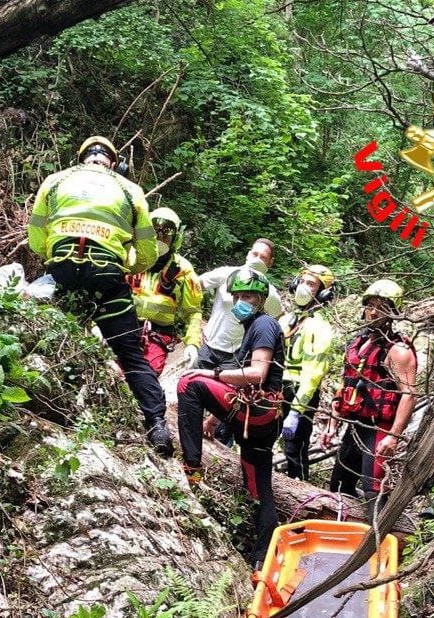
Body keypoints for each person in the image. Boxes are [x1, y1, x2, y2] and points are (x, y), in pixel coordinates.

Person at [29, 136, 174, 456]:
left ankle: (36, 398)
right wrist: (124, 263)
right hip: (108, 278)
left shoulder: (55, 181)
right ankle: (157, 425)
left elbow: (36, 238)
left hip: (64, 272)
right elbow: (148, 253)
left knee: (46, 334)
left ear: (82, 158)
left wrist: (56, 257)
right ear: (114, 161)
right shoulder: (130, 190)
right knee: (132, 356)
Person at [177, 267, 285, 575]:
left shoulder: (263, 324)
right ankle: (262, 558)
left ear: (261, 299)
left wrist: (210, 373)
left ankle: (192, 469)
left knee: (189, 384)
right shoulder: (253, 327)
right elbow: (243, 383)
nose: (241, 301)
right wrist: (214, 418)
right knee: (257, 488)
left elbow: (256, 374)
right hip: (262, 419)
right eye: (236, 296)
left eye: (248, 296)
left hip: (259, 411)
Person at [320, 279, 417, 518]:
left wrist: (393, 438)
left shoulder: (398, 351)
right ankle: (344, 536)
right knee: (339, 487)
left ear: (392, 312)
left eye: (381, 306)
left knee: (374, 491)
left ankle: (382, 541)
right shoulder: (358, 344)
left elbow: (409, 395)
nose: (373, 311)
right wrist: (332, 425)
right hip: (354, 426)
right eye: (370, 305)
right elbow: (345, 386)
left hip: (378, 430)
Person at [126, 207, 204, 375]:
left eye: (166, 231)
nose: (160, 235)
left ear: (175, 237)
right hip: (122, 326)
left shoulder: (183, 270)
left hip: (157, 334)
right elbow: (105, 292)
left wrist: (192, 343)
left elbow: (193, 312)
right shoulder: (130, 257)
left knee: (147, 376)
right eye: (155, 229)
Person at [279, 265, 336, 480]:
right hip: (277, 388)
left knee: (294, 451)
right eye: (302, 281)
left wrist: (296, 411)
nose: (303, 287)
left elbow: (312, 376)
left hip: (299, 394)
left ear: (322, 293)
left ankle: (299, 490)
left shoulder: (319, 328)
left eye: (311, 284)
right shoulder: (287, 320)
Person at [196, 239, 283, 370]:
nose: (258, 259)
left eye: (263, 257)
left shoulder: (269, 292)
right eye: (255, 254)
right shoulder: (226, 274)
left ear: (270, 262)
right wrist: (197, 321)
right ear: (248, 255)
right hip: (208, 345)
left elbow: (276, 319)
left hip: (237, 354)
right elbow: (194, 286)